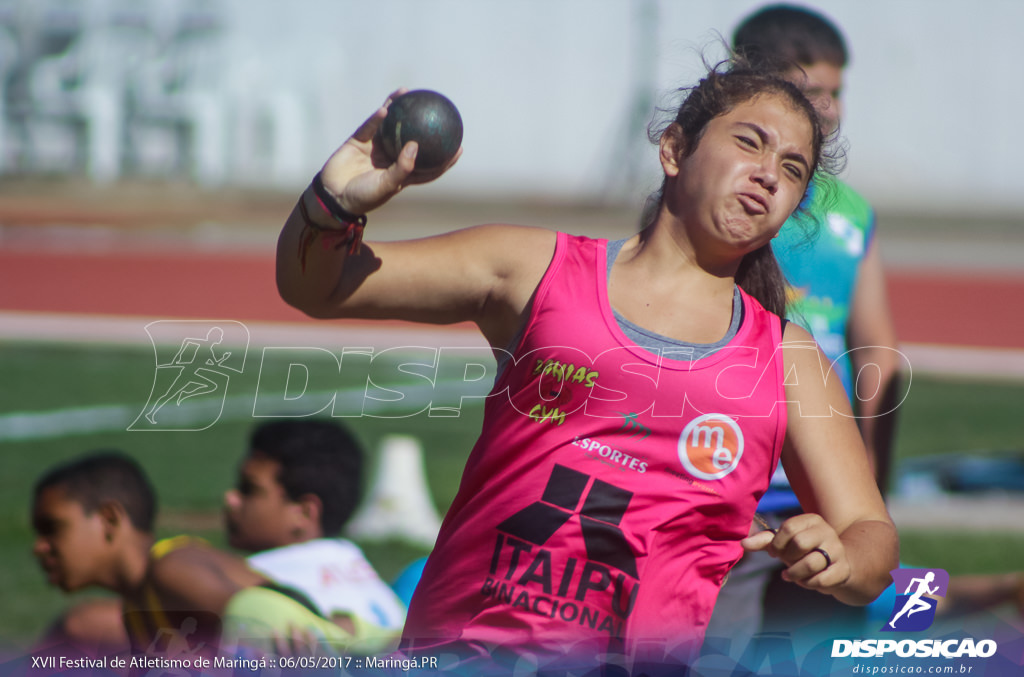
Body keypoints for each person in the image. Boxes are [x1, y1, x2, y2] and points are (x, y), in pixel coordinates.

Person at [274, 56, 898, 672]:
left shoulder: (787, 360)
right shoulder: (533, 270)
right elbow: (319, 287)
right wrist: (334, 203)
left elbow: (870, 535)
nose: (768, 174)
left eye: (792, 169)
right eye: (749, 143)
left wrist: (843, 559)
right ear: (674, 150)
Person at [704, 4, 903, 653]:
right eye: (808, 90)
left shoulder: (852, 214)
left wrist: (867, 475)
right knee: (714, 647)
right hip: (733, 473)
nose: (828, 108)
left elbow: (879, 352)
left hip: (822, 480)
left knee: (825, 646)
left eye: (835, 92)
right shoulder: (731, 195)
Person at [30, 450, 363, 661]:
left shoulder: (171, 570)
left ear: (109, 519)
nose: (40, 547)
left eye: (53, 528)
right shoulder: (138, 608)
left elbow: (267, 617)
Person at [223, 419, 407, 651]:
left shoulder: (263, 576)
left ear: (304, 513)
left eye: (249, 489)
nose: (231, 498)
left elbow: (176, 562)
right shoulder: (365, 572)